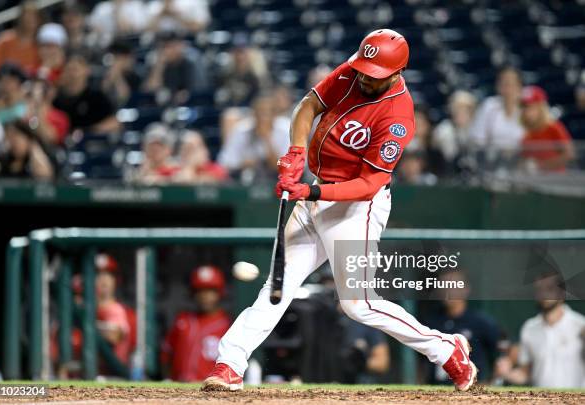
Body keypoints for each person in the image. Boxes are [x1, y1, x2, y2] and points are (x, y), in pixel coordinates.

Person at [202, 29, 477, 392]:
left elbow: (369, 184)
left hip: (355, 208)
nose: (365, 76)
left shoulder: (398, 116)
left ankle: (445, 349)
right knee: (277, 287)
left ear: (397, 72)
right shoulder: (353, 70)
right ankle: (230, 365)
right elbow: (308, 106)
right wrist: (295, 154)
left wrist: (312, 190)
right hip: (314, 190)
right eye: (364, 67)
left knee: (359, 305)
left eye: (375, 73)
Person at [495, 271, 585, 388]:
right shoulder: (529, 328)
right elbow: (525, 373)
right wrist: (507, 373)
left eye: (549, 288)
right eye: (539, 289)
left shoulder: (580, 324)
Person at [423, 271, 500, 384]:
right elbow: (421, 361)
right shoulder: (432, 321)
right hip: (436, 389)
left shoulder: (480, 322)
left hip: (470, 391)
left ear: (465, 289)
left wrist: (492, 380)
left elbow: (506, 348)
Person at [162, 265, 231, 382]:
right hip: (178, 387)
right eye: (200, 291)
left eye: (210, 291)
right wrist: (168, 379)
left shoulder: (227, 325)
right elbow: (166, 355)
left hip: (210, 389)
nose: (205, 296)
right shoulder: (183, 320)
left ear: (219, 292)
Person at [217, 93, 290, 183]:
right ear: (253, 113)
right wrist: (243, 163)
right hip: (243, 178)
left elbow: (285, 167)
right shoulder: (242, 130)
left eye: (267, 113)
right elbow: (225, 162)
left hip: (278, 180)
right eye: (259, 112)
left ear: (275, 114)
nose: (263, 117)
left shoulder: (286, 130)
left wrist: (267, 139)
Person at [53, 53, 121, 134]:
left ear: (86, 70)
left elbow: (114, 123)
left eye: (75, 69)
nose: (72, 74)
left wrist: (87, 132)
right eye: (69, 69)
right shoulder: (56, 98)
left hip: (91, 142)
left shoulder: (97, 97)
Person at [469, 66, 524, 155]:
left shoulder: (527, 107)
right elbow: (477, 139)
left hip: (521, 160)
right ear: (498, 86)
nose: (508, 89)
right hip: (492, 162)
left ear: (519, 87)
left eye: (511, 84)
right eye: (504, 83)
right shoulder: (489, 106)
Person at [519, 86, 575, 172]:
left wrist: (541, 166)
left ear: (540, 108)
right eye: (524, 107)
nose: (526, 111)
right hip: (536, 180)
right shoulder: (525, 133)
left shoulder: (554, 127)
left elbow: (569, 154)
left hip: (556, 179)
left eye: (530, 107)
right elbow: (524, 159)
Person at [143, 32, 198, 106]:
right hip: (159, 107)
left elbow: (196, 91)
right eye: (165, 47)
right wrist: (159, 66)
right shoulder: (156, 65)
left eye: (172, 46)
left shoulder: (189, 64)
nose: (168, 51)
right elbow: (149, 91)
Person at [431, 90, 477, 172]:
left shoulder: (478, 129)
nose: (460, 112)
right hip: (448, 171)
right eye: (457, 108)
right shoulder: (444, 129)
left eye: (465, 109)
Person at [0, 1, 41, 73]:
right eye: (27, 16)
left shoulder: (40, 44)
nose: (30, 20)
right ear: (20, 18)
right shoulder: (5, 39)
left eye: (33, 16)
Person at [102, 40, 142, 108]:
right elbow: (102, 95)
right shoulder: (105, 74)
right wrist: (112, 73)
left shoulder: (134, 77)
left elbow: (125, 99)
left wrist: (118, 75)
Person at [146, 0, 211, 36]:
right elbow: (147, 30)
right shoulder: (154, 5)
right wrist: (162, 13)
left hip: (187, 40)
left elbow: (200, 26)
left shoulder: (194, 2)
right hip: (160, 43)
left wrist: (175, 16)